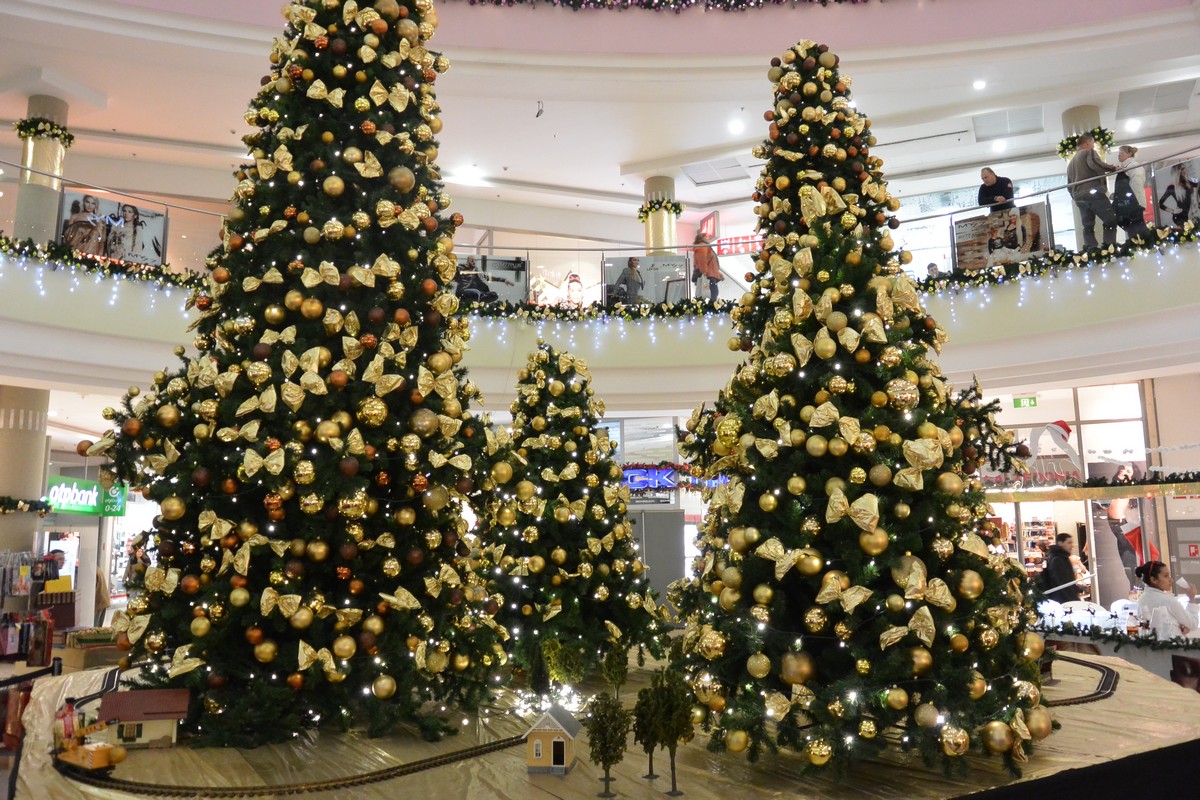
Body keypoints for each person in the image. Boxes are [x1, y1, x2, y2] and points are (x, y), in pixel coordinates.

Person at [1066, 134, 1119, 248]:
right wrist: (1113, 168)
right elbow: (1095, 164)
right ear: (1088, 142)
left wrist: (1075, 197)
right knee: (1110, 220)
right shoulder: (1088, 152)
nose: (1093, 146)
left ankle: (1091, 250)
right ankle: (1109, 248)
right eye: (1093, 143)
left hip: (1079, 197)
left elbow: (1069, 185)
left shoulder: (1070, 164)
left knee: (1088, 225)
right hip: (1093, 192)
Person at [1135, 560, 1198, 636]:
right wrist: (1191, 598)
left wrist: (1178, 625)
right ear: (1153, 580)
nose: (1171, 580)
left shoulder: (1141, 600)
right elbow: (1193, 624)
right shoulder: (1169, 601)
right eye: (1166, 576)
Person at [1112, 145, 1151, 238]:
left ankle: (1143, 243)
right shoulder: (1125, 167)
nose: (1119, 155)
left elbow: (1137, 184)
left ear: (1129, 154)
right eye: (1119, 153)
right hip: (1128, 203)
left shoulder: (1133, 166)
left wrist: (1134, 201)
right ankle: (1140, 243)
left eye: (1121, 153)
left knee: (1137, 229)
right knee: (1134, 230)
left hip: (1134, 203)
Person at [1041, 533, 1082, 603]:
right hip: (1063, 601)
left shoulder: (1062, 558)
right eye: (1069, 543)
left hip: (1063, 600)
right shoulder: (1058, 560)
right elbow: (1063, 584)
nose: (1072, 545)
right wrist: (1074, 600)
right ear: (1060, 543)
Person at [692, 232, 722, 302]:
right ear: (701, 238)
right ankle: (711, 307)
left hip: (710, 275)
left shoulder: (705, 247)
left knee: (711, 294)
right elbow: (702, 261)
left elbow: (711, 264)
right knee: (712, 294)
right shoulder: (702, 246)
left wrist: (718, 274)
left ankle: (710, 306)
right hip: (709, 276)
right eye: (706, 237)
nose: (708, 238)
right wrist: (704, 272)